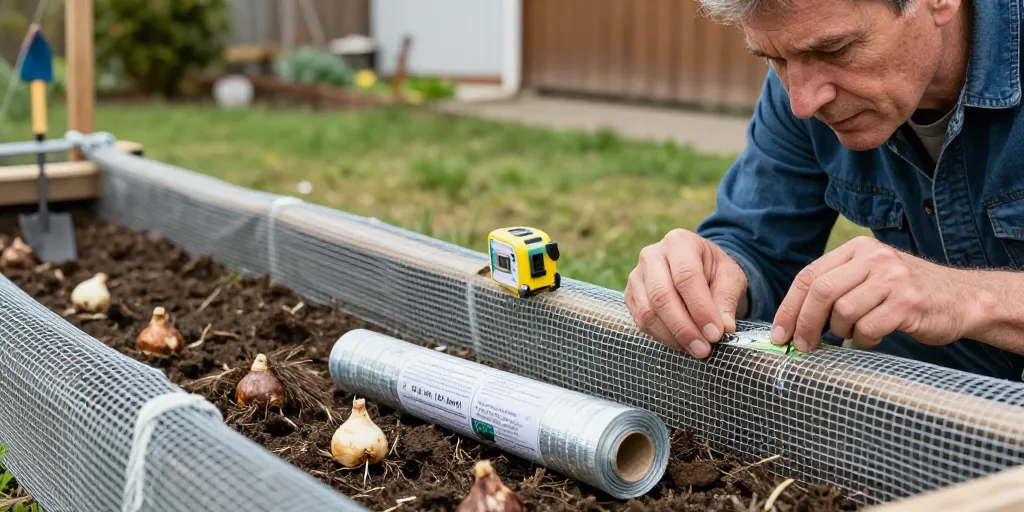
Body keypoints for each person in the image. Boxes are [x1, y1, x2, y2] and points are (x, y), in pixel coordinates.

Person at [624, 0, 1024, 380]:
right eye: (774, 59)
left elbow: (958, 298)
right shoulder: (803, 74)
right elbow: (759, 249)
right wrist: (713, 277)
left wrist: (966, 298)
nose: (802, 102)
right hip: (933, 405)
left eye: (835, 50)